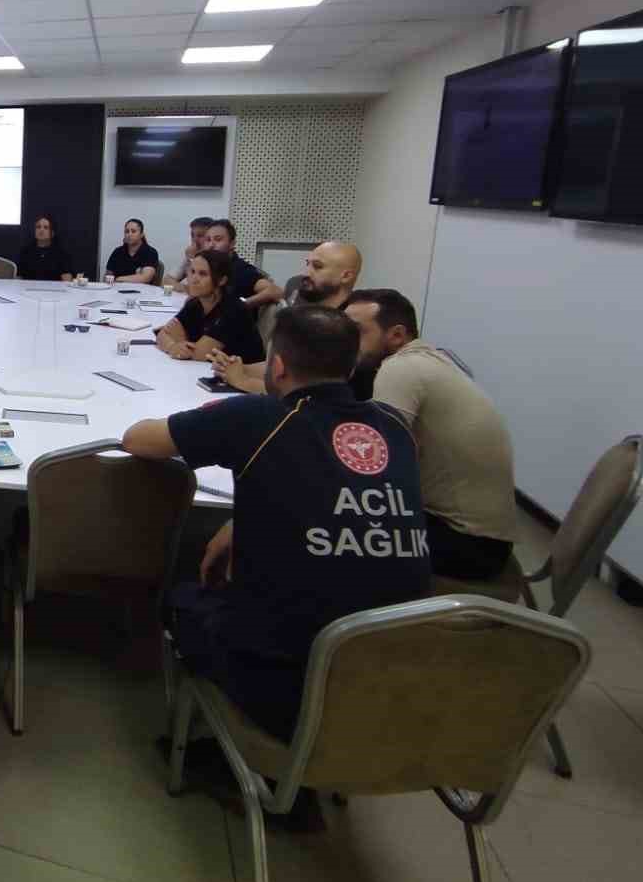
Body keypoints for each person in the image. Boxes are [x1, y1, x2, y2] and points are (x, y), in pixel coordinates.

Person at [120, 304, 429, 745]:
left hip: (288, 686)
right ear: (350, 367)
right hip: (396, 674)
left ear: (278, 366)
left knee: (179, 593)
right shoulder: (395, 428)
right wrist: (240, 522)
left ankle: (197, 741)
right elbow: (335, 493)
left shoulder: (258, 417)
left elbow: (137, 439)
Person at [345, 289, 517, 580]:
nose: (345, 343)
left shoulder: (400, 368)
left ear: (397, 335)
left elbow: (375, 465)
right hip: (483, 539)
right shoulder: (434, 360)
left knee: (321, 522)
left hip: (467, 544)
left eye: (356, 332)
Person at [211, 241, 363, 393]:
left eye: (317, 267)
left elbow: (307, 392)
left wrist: (244, 382)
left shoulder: (347, 327)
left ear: (346, 276)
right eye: (308, 264)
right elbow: (286, 368)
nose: (306, 274)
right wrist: (238, 368)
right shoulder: (310, 316)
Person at [155, 250, 264, 363]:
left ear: (221, 280)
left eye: (203, 274)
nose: (194, 279)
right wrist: (172, 346)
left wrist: (180, 341)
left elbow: (199, 354)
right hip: (207, 369)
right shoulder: (195, 303)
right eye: (192, 272)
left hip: (242, 372)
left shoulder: (234, 310)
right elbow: (162, 334)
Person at [199, 219, 280, 309]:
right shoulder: (209, 267)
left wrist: (241, 305)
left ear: (232, 243)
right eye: (208, 240)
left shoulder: (241, 270)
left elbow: (275, 291)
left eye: (218, 239)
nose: (211, 245)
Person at [17, 213, 75, 282]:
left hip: (54, 288)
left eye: (46, 227)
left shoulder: (61, 254)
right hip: (28, 288)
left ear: (52, 233)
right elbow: (19, 278)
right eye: (38, 227)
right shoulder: (25, 252)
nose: (41, 230)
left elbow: (67, 281)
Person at [103, 218, 161, 284]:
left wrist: (119, 279)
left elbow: (145, 277)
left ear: (141, 234)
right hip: (117, 289)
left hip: (141, 290)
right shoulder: (117, 252)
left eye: (133, 231)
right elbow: (107, 276)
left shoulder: (150, 252)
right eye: (127, 231)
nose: (129, 234)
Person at [171, 216, 214, 285]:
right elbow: (166, 280)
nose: (195, 240)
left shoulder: (214, 261)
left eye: (200, 235)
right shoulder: (191, 253)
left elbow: (197, 287)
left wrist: (192, 260)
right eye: (192, 235)